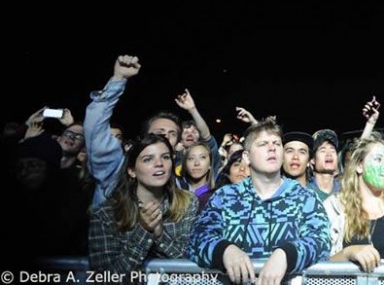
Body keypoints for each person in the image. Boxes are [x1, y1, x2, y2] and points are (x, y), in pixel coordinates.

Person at [188, 117, 331, 285]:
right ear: (247, 158)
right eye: (263, 144)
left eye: (277, 144)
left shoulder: (305, 197)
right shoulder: (225, 197)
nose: (272, 148)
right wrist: (225, 250)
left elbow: (321, 241)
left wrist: (286, 254)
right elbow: (197, 237)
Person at [88, 134, 198, 274]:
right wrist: (144, 232)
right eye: (148, 159)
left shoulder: (187, 203)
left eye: (165, 157)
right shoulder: (106, 214)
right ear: (132, 171)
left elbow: (190, 267)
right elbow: (105, 278)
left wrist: (159, 235)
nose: (159, 163)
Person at [324, 132, 384, 272]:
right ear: (359, 166)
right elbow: (318, 265)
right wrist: (348, 253)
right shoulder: (334, 206)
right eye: (378, 159)